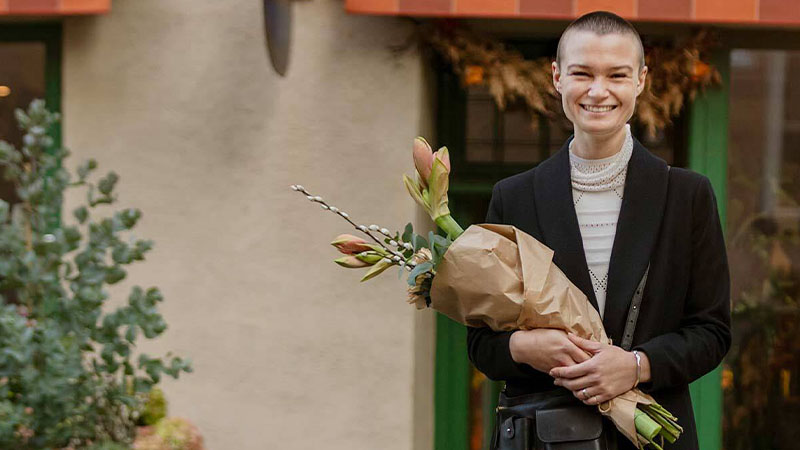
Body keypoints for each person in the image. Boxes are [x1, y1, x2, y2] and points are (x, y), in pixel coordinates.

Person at [468, 11, 731, 450]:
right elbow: (481, 344)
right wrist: (528, 347)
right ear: (557, 77)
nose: (598, 90)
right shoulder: (513, 197)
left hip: (650, 440)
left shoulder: (687, 196)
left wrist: (637, 364)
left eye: (617, 75)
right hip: (543, 438)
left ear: (641, 80)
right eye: (582, 73)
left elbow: (711, 331)